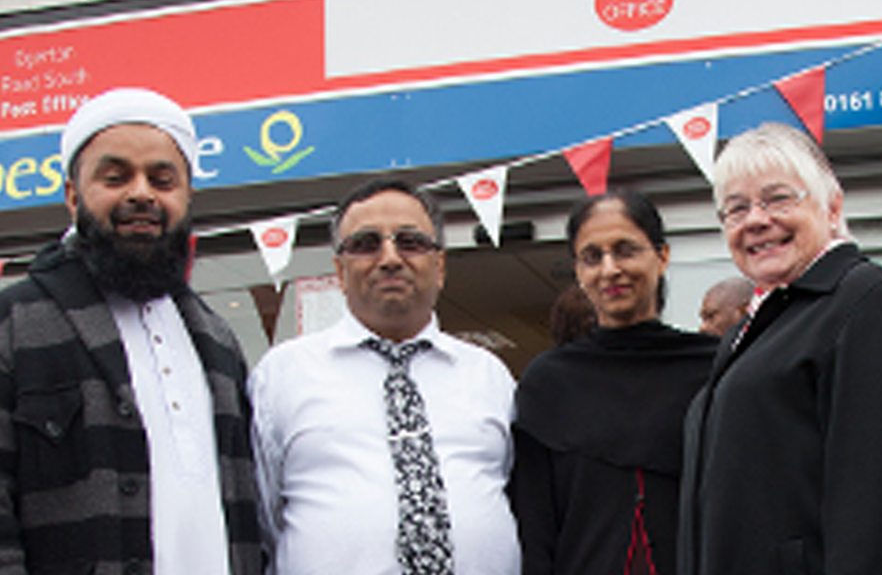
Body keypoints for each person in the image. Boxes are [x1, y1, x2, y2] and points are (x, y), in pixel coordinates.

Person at [0, 88, 261, 574]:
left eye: (163, 180)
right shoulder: (14, 323)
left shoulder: (218, 340)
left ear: (186, 199)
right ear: (73, 196)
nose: (142, 193)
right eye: (116, 177)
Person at [677, 122, 882, 575]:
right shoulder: (754, 327)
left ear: (832, 207)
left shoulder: (865, 301)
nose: (757, 220)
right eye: (736, 208)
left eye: (778, 198)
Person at [248, 178, 520, 575]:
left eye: (410, 241)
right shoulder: (282, 376)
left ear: (440, 266)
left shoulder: (489, 377)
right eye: (366, 244)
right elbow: (260, 523)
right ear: (339, 271)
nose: (390, 257)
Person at [512, 189, 719, 575]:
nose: (610, 269)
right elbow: (535, 527)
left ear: (662, 256)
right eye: (592, 257)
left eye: (625, 250)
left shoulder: (712, 370)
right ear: (578, 271)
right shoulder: (550, 383)